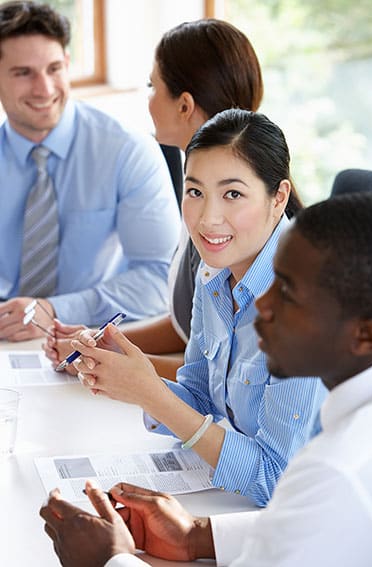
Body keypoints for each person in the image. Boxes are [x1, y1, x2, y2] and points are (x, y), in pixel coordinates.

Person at [40, 191, 372, 567]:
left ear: (366, 335)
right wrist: (197, 536)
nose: (262, 304)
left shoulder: (339, 470)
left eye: (287, 293)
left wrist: (110, 559)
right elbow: (314, 525)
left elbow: (315, 504)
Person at [69, 109, 326, 506]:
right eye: (195, 192)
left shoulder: (307, 303)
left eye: (233, 194)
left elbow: (277, 479)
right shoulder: (215, 273)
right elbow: (201, 397)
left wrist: (152, 395)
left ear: (279, 198)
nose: (208, 219)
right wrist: (132, 373)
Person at [44, 18, 264, 379]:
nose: (147, 100)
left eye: (152, 86)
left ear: (184, 105)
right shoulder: (205, 191)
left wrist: (108, 361)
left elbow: (223, 377)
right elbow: (190, 326)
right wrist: (101, 342)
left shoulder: (229, 220)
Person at [0, 1, 180, 341]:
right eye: (23, 73)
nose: (44, 89)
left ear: (68, 64)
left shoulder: (126, 150)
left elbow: (160, 279)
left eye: (54, 69)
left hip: (91, 338)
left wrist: (55, 309)